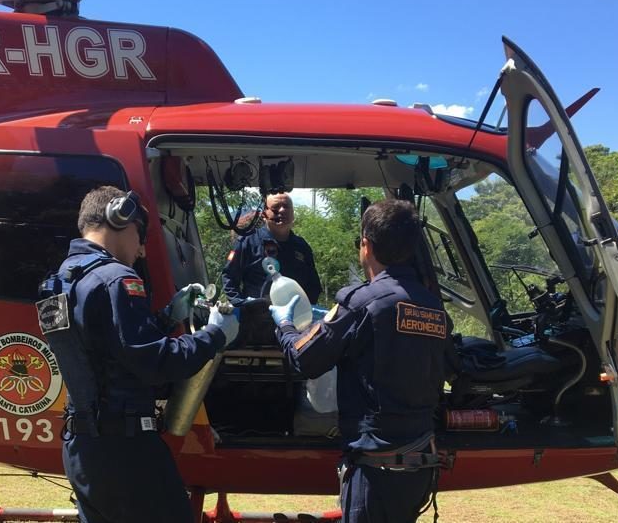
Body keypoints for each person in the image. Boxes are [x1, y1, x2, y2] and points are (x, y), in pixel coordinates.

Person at [36, 186, 238, 523]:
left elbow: (108, 351)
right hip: (126, 451)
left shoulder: (59, 282)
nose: (142, 250)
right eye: (140, 235)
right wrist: (216, 334)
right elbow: (156, 364)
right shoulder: (117, 278)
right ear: (120, 217)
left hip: (82, 448)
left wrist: (165, 318)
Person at [269, 199, 447, 523]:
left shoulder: (362, 302)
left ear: (365, 245)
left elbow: (304, 359)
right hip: (420, 465)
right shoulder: (433, 306)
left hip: (376, 470)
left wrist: (284, 324)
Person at [221, 192, 321, 346]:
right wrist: (242, 306)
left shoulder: (302, 247)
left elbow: (314, 285)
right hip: (256, 328)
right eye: (275, 208)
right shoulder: (248, 242)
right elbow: (229, 278)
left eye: (286, 207)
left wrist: (305, 310)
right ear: (264, 213)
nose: (281, 211)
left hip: (297, 328)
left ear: (293, 213)